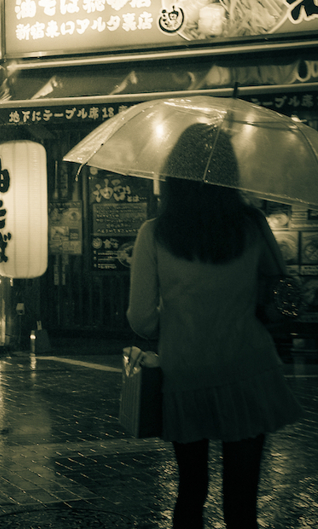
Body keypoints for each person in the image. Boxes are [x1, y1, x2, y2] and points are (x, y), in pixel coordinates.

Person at [127, 124, 303, 529]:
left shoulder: (154, 233)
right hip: (249, 369)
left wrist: (173, 320)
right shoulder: (252, 224)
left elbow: (142, 320)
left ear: (174, 174)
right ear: (229, 173)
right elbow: (280, 293)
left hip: (186, 374)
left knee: (191, 492)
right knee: (242, 500)